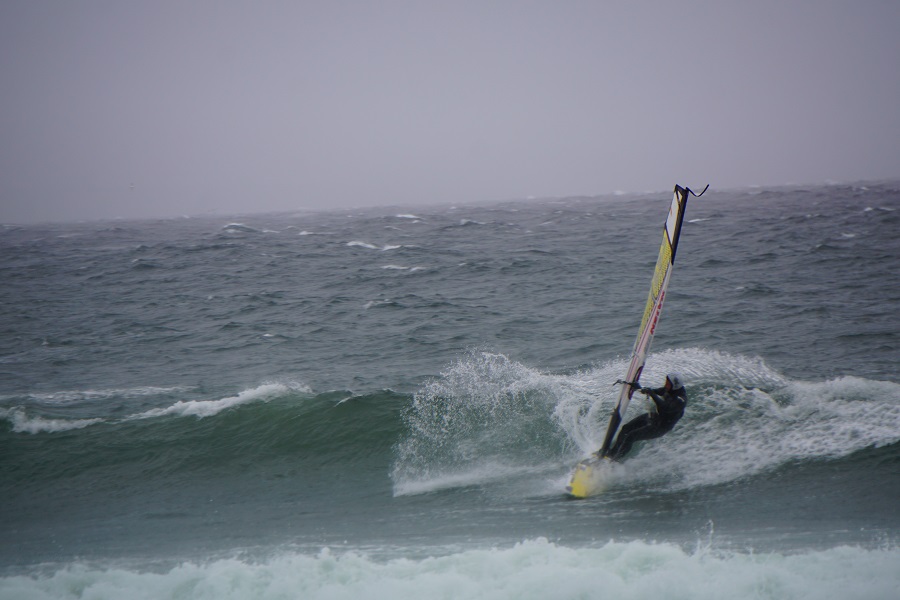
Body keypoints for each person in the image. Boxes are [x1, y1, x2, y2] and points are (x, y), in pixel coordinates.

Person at [604, 373, 687, 461]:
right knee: (626, 428)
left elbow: (664, 408)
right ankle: (611, 453)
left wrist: (652, 395)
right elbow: (654, 391)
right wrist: (640, 388)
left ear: (675, 385)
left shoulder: (681, 400)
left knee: (631, 437)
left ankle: (615, 459)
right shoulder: (669, 390)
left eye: (668, 383)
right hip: (654, 417)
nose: (665, 384)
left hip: (660, 427)